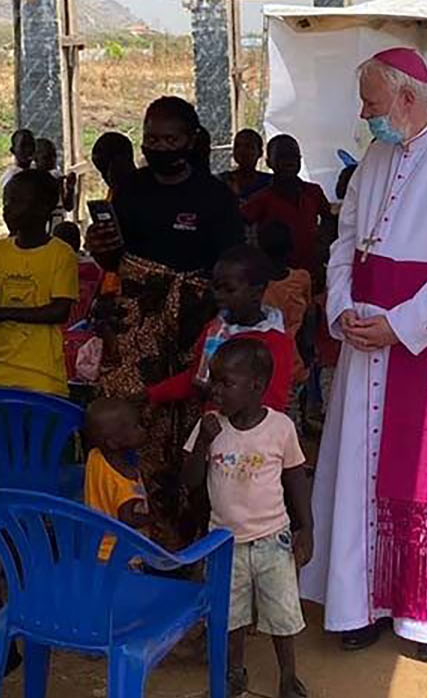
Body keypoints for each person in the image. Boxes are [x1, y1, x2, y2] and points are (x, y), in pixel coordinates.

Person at [298, 47, 427, 661]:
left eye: (373, 104)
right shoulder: (374, 160)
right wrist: (343, 308)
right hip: (366, 340)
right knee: (357, 470)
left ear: (407, 99)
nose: (366, 116)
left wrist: (403, 325)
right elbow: (344, 242)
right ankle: (358, 605)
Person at [94, 97, 243, 496]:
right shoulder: (129, 189)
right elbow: (113, 260)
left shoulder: (215, 196)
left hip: (195, 323)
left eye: (169, 139)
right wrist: (100, 247)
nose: (159, 148)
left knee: (192, 414)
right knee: (130, 410)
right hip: (136, 326)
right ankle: (133, 510)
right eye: (151, 139)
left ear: (191, 140)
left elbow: (230, 266)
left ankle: (188, 521)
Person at [182, 337, 314, 698]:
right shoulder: (209, 427)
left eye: (226, 383)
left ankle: (289, 679)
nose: (215, 390)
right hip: (225, 542)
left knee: (283, 616)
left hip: (273, 539)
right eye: (214, 381)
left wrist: (307, 527)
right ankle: (233, 674)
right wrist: (204, 444)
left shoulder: (280, 428)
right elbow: (189, 481)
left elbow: (296, 479)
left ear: (256, 386)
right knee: (230, 615)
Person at [0, 169, 78, 397]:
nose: (6, 207)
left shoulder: (61, 254)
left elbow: (59, 311)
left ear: (43, 208)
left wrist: (1, 314)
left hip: (41, 376)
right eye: (5, 201)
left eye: (16, 201)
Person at [147, 245, 294, 412]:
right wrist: (152, 395)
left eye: (229, 290)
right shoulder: (215, 328)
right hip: (214, 424)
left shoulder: (275, 342)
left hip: (250, 433)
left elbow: (273, 403)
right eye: (216, 288)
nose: (219, 296)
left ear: (257, 292)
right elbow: (196, 377)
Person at [241, 135, 332, 274]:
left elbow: (329, 219)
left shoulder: (314, 191)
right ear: (269, 162)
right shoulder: (261, 199)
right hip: (277, 276)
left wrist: (323, 243)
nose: (289, 161)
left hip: (313, 272)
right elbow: (241, 225)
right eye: (282, 156)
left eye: (294, 156)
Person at [82, 395, 152, 556]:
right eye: (136, 427)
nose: (143, 429)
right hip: (123, 554)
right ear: (113, 443)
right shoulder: (126, 481)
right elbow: (127, 519)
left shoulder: (95, 456)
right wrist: (152, 518)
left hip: (95, 546)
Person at [255, 221, 310, 387]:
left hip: (262, 362)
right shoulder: (301, 278)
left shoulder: (253, 286)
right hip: (294, 359)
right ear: (291, 248)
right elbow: (308, 319)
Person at [219, 128, 272, 200]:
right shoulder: (222, 181)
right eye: (237, 146)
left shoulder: (270, 183)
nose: (242, 150)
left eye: (248, 146)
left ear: (260, 152)